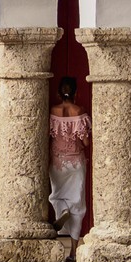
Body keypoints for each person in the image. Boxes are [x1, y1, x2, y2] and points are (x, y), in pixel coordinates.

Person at [48, 77, 91, 238]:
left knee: (57, 194)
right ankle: (73, 237)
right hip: (76, 161)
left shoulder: (53, 110)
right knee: (76, 198)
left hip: (58, 160)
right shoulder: (79, 111)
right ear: (75, 92)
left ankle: (63, 212)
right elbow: (85, 142)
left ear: (59, 93)